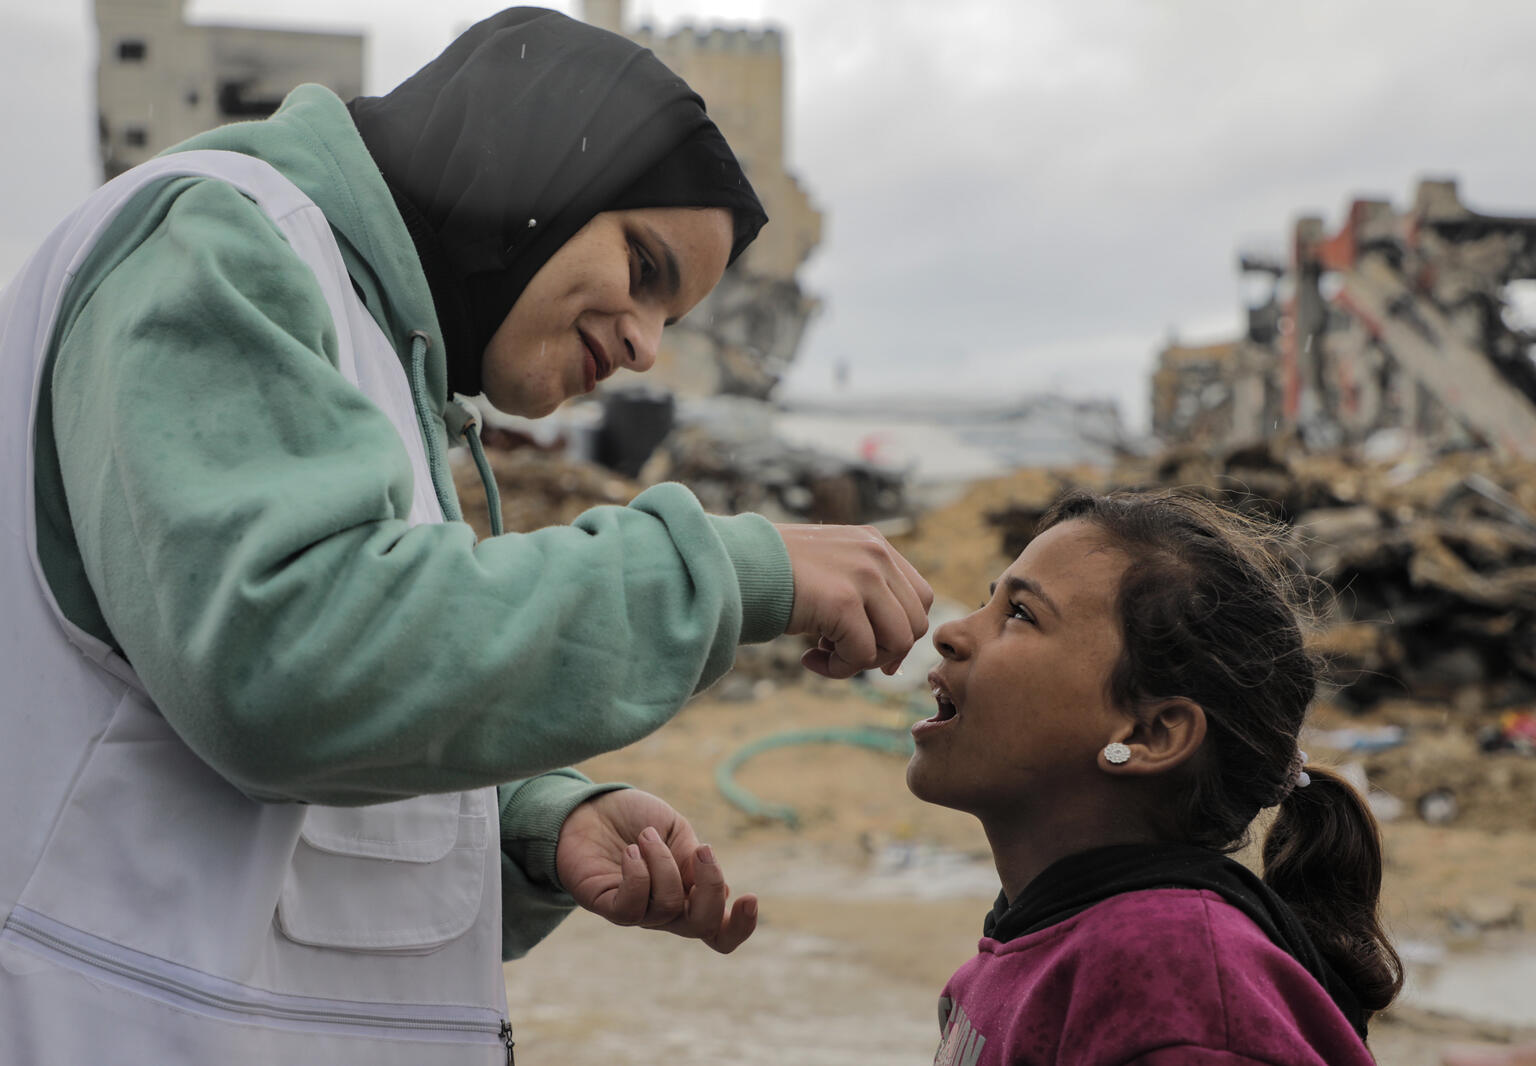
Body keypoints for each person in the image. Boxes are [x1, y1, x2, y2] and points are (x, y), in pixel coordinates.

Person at [0, 8, 931, 1065]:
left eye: (672, 322)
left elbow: (279, 766)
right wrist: (722, 568)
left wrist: (531, 828)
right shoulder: (216, 243)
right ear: (534, 175)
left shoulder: (373, 344)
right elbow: (285, 666)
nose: (641, 345)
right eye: (643, 269)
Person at [908, 490, 1401, 1066]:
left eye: (1020, 614)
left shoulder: (1173, 980)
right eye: (991, 603)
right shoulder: (1037, 936)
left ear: (1152, 735)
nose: (951, 633)